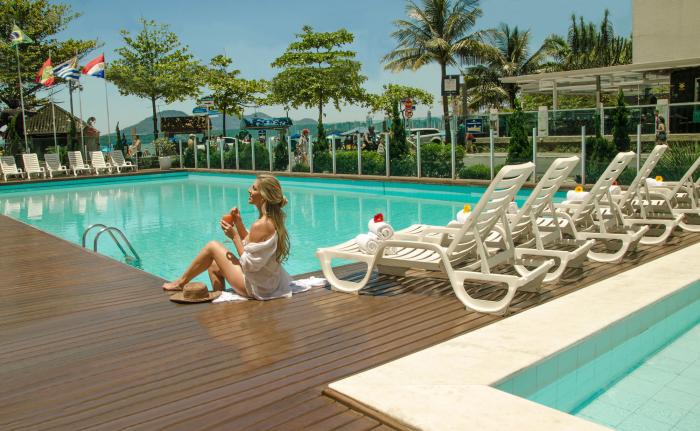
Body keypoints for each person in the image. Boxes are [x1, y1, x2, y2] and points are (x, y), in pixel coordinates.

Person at [162, 174, 292, 300]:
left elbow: (248, 264)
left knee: (212, 246)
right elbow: (252, 245)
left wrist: (234, 236)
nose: (249, 190)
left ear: (263, 196)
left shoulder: (261, 224)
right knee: (213, 265)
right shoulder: (271, 219)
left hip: (257, 287)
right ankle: (220, 300)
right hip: (268, 282)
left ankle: (180, 282)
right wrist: (238, 222)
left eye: (254, 188)